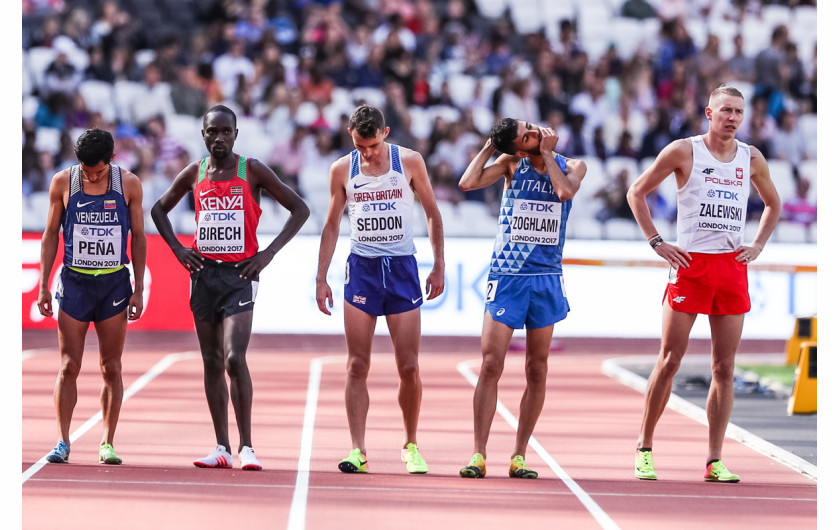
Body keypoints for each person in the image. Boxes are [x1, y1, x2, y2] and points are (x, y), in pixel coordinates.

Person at [625, 86, 781, 483]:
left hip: (730, 269)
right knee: (669, 360)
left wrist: (758, 244)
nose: (732, 118)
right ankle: (644, 446)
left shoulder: (752, 157)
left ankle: (714, 459)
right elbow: (636, 192)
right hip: (691, 265)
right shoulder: (684, 151)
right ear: (708, 113)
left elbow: (773, 204)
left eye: (739, 113)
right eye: (725, 110)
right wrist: (657, 242)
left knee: (724, 367)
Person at [151, 105, 310, 471]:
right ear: (203, 135)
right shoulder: (196, 172)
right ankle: (221, 447)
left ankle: (247, 446)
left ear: (236, 134)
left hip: (239, 276)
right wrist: (178, 249)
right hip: (204, 276)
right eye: (212, 132)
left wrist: (267, 253)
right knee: (211, 361)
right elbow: (159, 210)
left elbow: (298, 209)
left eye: (226, 131)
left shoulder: (251, 170)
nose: (219, 138)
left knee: (235, 358)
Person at [315, 104, 445, 474]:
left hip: (402, 268)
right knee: (357, 364)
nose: (367, 154)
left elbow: (433, 213)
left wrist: (438, 265)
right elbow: (331, 225)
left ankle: (411, 444)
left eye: (372, 146)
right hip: (363, 270)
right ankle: (358, 448)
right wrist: (321, 276)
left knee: (409, 367)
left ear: (385, 134)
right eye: (360, 147)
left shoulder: (410, 162)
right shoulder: (342, 169)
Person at [457, 118, 586, 479]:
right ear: (518, 149)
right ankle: (478, 455)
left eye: (532, 126)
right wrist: (490, 148)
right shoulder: (511, 165)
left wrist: (547, 155)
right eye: (528, 136)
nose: (537, 132)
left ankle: (519, 455)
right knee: (490, 365)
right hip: (508, 275)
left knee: (537, 368)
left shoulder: (574, 165)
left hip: (545, 278)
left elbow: (564, 193)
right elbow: (467, 182)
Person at [37, 128, 147, 465]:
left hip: (113, 285)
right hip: (75, 284)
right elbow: (50, 235)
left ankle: (107, 442)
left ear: (112, 160)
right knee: (69, 364)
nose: (91, 176)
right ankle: (62, 441)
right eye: (86, 170)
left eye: (97, 171)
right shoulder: (63, 182)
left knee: (111, 366)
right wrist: (43, 284)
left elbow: (139, 237)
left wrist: (139, 288)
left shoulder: (128, 184)